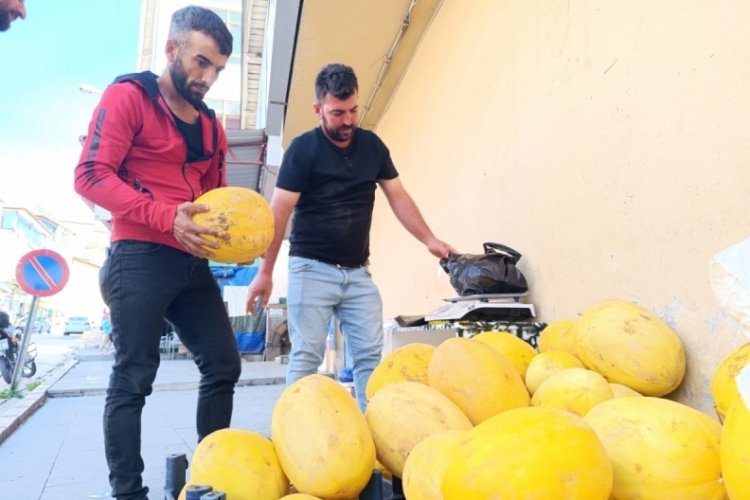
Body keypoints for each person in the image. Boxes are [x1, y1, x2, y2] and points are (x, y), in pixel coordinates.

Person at [73, 7, 240, 500]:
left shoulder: (213, 128)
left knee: (223, 364)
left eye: (218, 69)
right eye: (201, 62)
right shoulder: (127, 96)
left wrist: (237, 236)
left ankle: (212, 478)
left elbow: (216, 200)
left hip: (192, 265)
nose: (208, 78)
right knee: (134, 376)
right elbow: (90, 175)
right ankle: (128, 493)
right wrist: (165, 216)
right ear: (172, 51)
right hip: (138, 253)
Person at [245, 63, 455, 411]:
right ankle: (295, 440)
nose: (347, 121)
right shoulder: (303, 150)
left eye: (353, 110)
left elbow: (398, 196)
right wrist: (264, 272)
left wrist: (429, 240)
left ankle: (373, 441)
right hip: (311, 268)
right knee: (306, 358)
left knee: (371, 360)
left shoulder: (372, 146)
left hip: (358, 273)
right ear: (318, 110)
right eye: (337, 112)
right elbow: (278, 213)